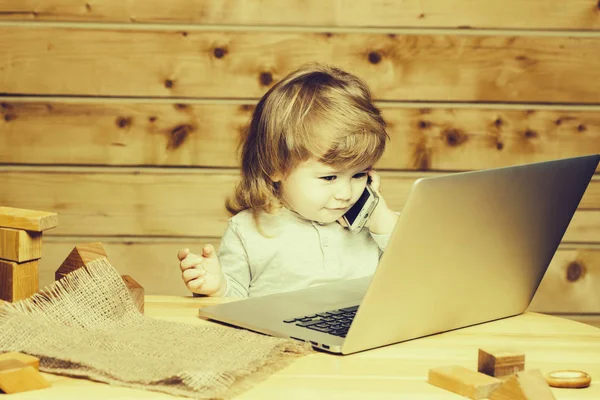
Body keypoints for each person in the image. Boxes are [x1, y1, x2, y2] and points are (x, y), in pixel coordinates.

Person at [178, 63, 398, 298]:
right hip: (275, 335)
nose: (345, 193)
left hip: (357, 333)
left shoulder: (376, 226)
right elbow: (233, 304)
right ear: (276, 167)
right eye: (329, 177)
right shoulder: (248, 231)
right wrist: (218, 287)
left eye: (359, 174)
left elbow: (419, 271)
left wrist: (381, 220)